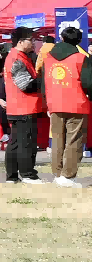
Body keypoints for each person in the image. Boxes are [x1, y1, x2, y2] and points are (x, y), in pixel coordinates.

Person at [41, 25, 90, 188]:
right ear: (78, 41)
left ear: (61, 38)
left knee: (57, 140)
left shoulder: (48, 58)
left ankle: (57, 174)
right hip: (77, 104)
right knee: (74, 140)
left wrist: (47, 102)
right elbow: (88, 83)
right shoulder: (81, 58)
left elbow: (43, 83)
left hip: (55, 103)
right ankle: (68, 176)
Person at [2, 27, 44, 184]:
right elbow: (26, 85)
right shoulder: (17, 59)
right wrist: (42, 79)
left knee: (15, 143)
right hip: (24, 107)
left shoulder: (19, 57)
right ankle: (27, 174)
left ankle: (12, 176)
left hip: (18, 106)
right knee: (26, 143)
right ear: (20, 42)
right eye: (31, 40)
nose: (33, 43)